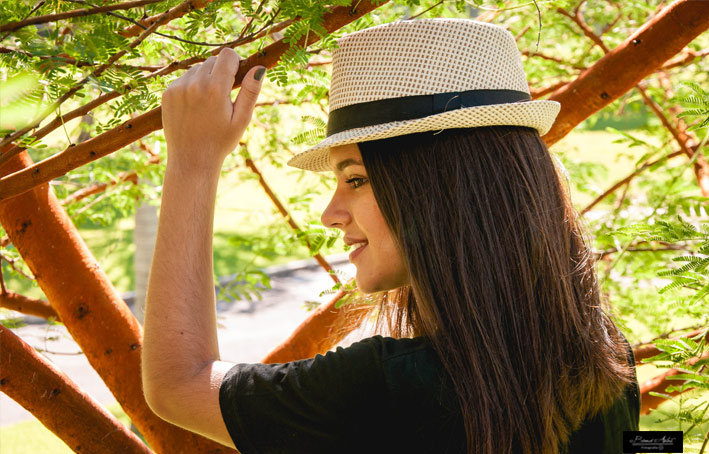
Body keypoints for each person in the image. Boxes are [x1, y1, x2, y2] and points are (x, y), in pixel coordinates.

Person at [142, 19, 640, 454]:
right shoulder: (606, 360)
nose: (329, 213)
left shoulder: (386, 388)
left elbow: (178, 384)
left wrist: (192, 161)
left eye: (355, 179)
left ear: (442, 190)